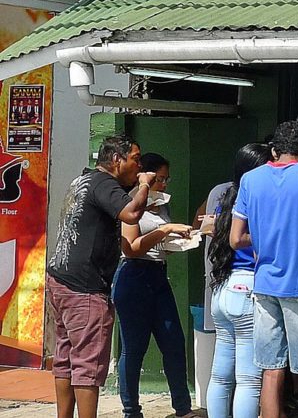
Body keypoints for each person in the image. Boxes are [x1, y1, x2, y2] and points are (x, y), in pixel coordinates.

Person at [230, 120, 298, 418]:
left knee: (270, 370)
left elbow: (235, 238)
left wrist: (267, 236)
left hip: (264, 285)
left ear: (275, 149)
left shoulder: (250, 180)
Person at [47, 135, 154, 418]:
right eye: (135, 159)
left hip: (61, 279)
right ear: (117, 160)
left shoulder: (84, 180)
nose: (139, 165)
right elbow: (131, 214)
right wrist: (144, 184)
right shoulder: (105, 184)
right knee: (88, 364)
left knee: (66, 359)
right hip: (84, 288)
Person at [113, 153, 199, 418]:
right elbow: (132, 249)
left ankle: (182, 408)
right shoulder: (131, 204)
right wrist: (164, 231)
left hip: (158, 275)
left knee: (174, 342)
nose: (163, 185)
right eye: (158, 179)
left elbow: (158, 247)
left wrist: (177, 239)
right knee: (134, 348)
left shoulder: (163, 206)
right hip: (133, 276)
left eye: (166, 179)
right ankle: (131, 410)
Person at [206, 143, 273, 418]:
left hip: (222, 290)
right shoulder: (258, 204)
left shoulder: (226, 200)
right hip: (247, 291)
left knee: (220, 375)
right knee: (248, 379)